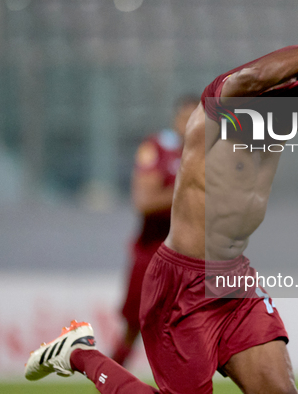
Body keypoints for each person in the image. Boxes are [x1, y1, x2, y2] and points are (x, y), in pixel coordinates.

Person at [25, 22, 298, 394]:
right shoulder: (213, 115)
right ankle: (78, 354)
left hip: (234, 278)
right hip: (181, 285)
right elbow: (257, 74)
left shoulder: (280, 122)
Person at [112, 96, 198, 366]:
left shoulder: (212, 153)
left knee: (194, 332)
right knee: (133, 329)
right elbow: (144, 201)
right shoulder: (157, 148)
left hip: (193, 256)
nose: (190, 125)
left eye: (195, 119)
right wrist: (190, 191)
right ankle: (107, 381)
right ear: (176, 120)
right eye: (185, 118)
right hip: (153, 255)